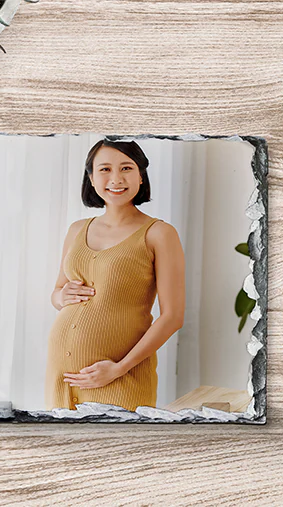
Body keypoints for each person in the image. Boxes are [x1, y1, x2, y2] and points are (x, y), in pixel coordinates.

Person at [45, 139, 185, 410]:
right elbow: (57, 293)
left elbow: (173, 317)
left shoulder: (159, 234)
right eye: (105, 169)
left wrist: (119, 368)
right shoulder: (77, 229)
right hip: (63, 375)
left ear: (141, 176)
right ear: (92, 178)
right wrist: (61, 296)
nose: (116, 179)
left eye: (126, 168)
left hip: (122, 376)